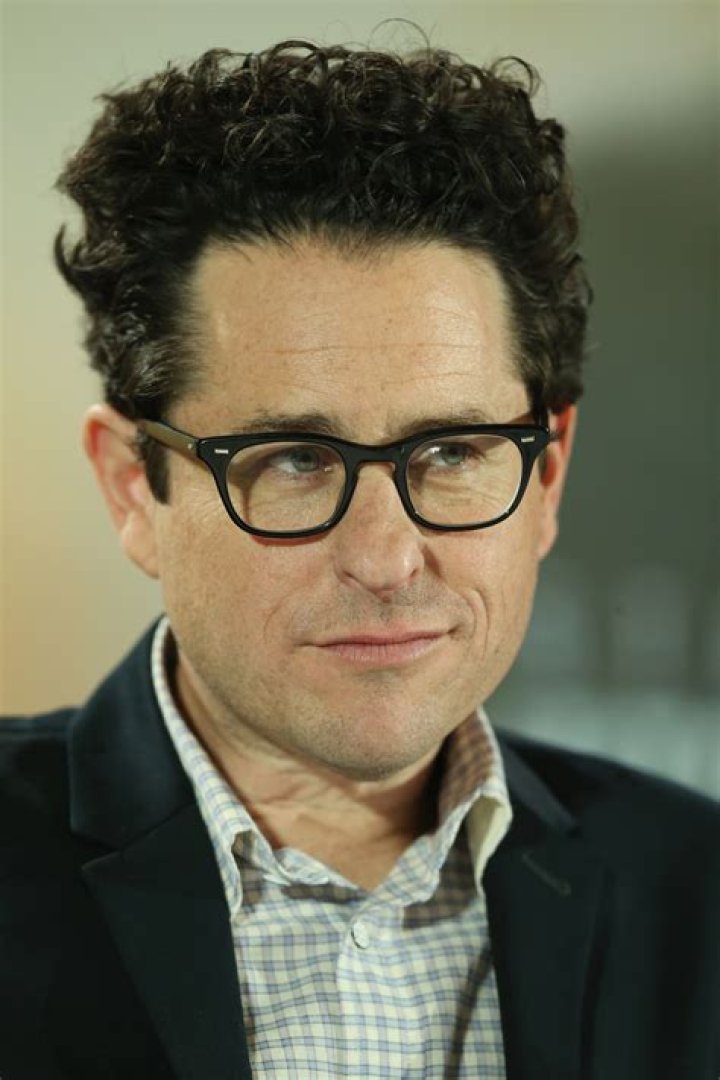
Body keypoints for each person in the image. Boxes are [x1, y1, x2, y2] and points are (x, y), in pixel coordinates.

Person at [1, 37, 717, 1080]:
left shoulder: (700, 894)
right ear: (131, 488)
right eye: (294, 460)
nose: (385, 558)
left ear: (548, 476)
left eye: (454, 452)